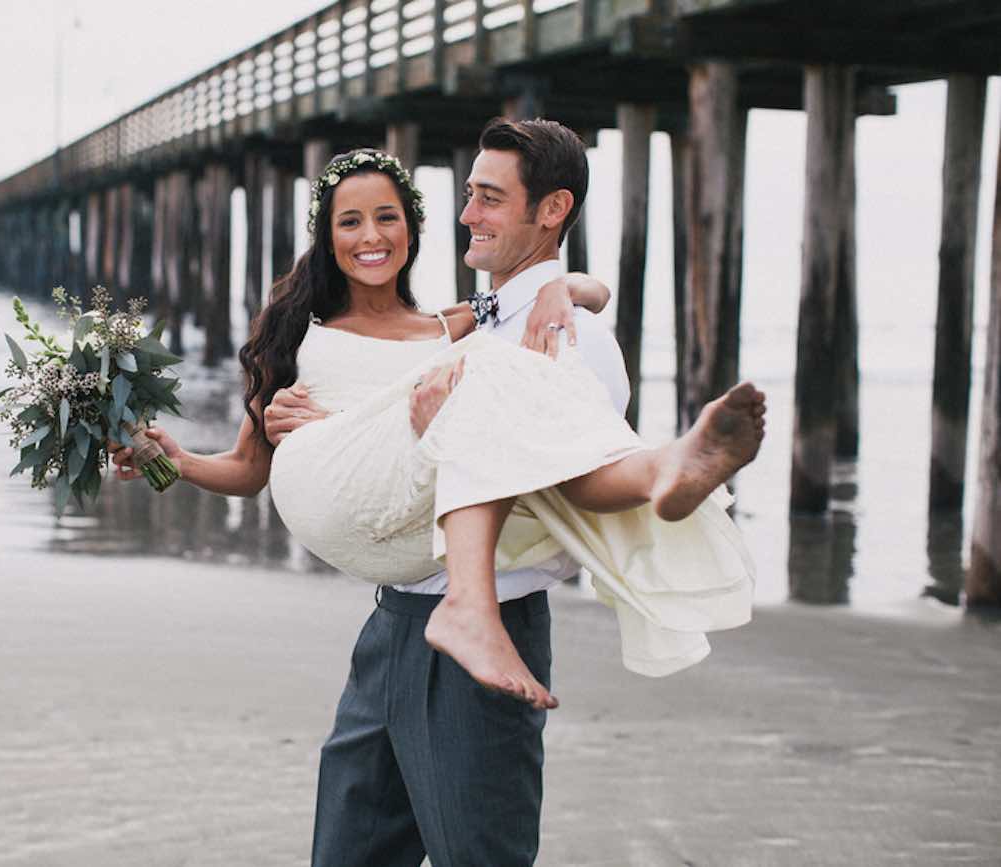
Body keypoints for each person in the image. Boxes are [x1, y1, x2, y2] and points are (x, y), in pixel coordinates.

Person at [113, 125, 762, 865]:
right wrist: (174, 460)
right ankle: (660, 469)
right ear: (325, 237)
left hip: (490, 628)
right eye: (349, 222)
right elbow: (251, 463)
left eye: (390, 216)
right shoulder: (440, 322)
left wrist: (562, 287)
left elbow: (567, 464)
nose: (467, 216)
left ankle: (661, 473)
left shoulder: (511, 333)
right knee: (349, 851)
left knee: (479, 854)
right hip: (390, 624)